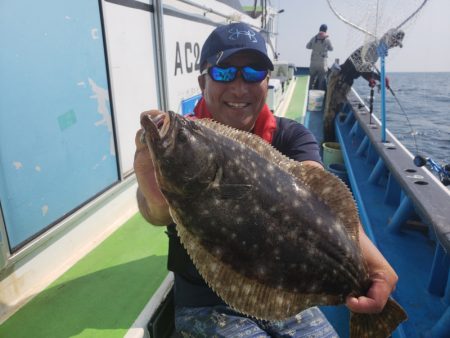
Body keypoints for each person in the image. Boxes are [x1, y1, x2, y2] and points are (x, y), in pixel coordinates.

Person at [134, 22, 399, 337]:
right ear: (202, 80)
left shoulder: (291, 135)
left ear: (267, 79)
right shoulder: (189, 135)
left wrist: (372, 267)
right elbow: (158, 212)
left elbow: (319, 199)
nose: (239, 86)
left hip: (287, 301)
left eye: (253, 73)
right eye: (223, 72)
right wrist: (152, 189)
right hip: (205, 305)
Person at [323, 28, 405, 142]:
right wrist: (379, 78)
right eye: (395, 42)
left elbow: (363, 68)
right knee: (330, 113)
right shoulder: (373, 48)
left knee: (335, 111)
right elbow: (362, 69)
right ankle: (327, 143)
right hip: (341, 79)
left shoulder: (376, 48)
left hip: (345, 81)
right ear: (389, 37)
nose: (394, 45)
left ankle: (330, 140)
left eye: (396, 44)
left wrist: (374, 78)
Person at [306, 24, 333, 90]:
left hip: (313, 62)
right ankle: (318, 96)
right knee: (321, 81)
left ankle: (308, 93)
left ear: (319, 29)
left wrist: (314, 46)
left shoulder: (314, 38)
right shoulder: (327, 39)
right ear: (326, 30)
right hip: (322, 63)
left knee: (311, 80)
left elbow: (307, 46)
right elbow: (331, 49)